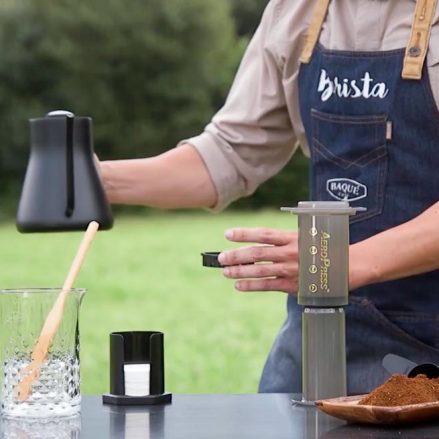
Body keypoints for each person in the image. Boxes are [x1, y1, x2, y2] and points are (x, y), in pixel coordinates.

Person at [100, 0, 439, 394]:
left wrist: (345, 262)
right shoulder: (295, 10)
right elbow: (232, 151)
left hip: (425, 351)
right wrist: (96, 181)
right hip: (311, 337)